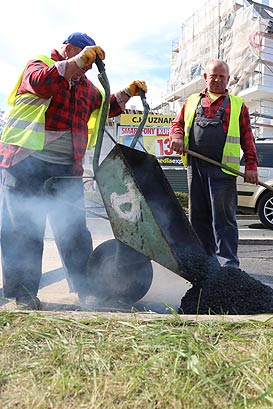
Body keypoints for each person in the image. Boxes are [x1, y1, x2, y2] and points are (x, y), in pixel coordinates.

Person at [0, 32, 147, 310]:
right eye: (84, 58)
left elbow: (104, 107)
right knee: (24, 230)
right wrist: (76, 63)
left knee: (75, 232)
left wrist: (128, 92)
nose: (87, 67)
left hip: (65, 171)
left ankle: (85, 289)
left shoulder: (84, 85)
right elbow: (42, 84)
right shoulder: (39, 64)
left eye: (90, 63)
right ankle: (23, 296)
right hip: (25, 164)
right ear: (68, 49)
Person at [169, 59, 258, 269]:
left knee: (223, 219)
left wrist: (251, 166)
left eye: (222, 76)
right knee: (198, 218)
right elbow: (177, 125)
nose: (217, 80)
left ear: (228, 79)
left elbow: (247, 138)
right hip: (195, 168)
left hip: (223, 171)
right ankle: (204, 263)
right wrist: (177, 137)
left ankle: (228, 266)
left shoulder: (237, 106)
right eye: (213, 76)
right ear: (205, 77)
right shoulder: (191, 102)